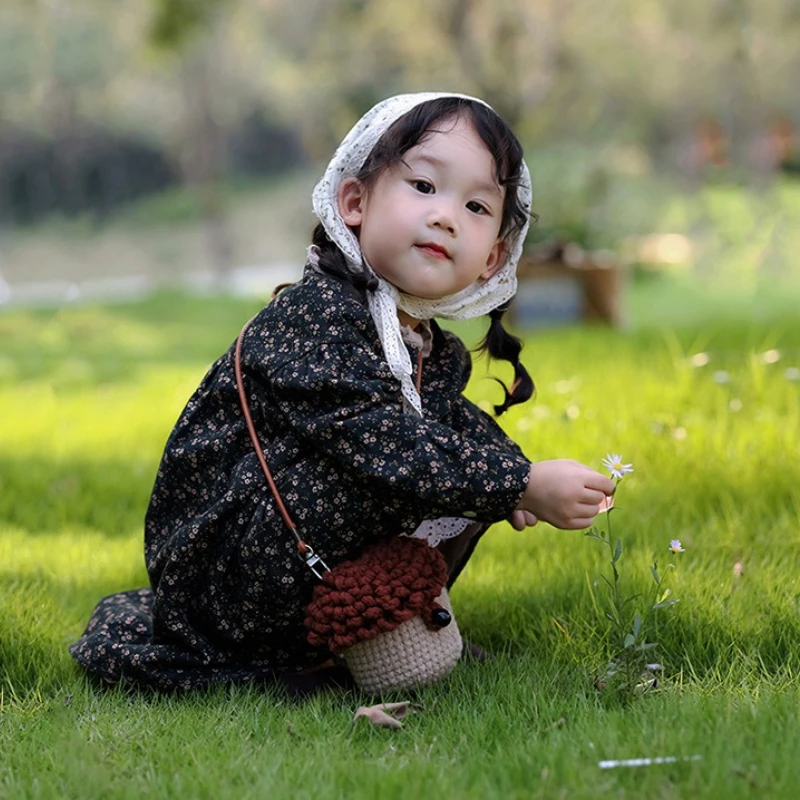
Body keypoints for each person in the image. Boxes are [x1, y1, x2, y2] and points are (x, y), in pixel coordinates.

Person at [70, 92, 615, 692]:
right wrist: (517, 483)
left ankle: (385, 632)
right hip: (227, 575)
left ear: (491, 258)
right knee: (413, 464)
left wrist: (513, 473)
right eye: (425, 187)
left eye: (477, 205)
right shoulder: (315, 316)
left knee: (458, 456)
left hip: (282, 554)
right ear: (355, 202)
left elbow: (454, 431)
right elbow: (381, 442)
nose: (447, 216)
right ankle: (302, 648)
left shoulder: (423, 344)